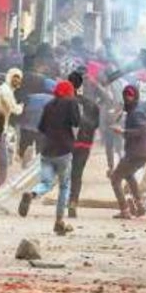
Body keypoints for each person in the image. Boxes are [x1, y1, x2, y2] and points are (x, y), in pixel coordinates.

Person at [18, 80, 80, 235]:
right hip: (63, 150)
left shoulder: (49, 105)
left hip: (46, 150)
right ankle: (59, 221)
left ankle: (32, 194)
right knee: (64, 186)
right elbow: (76, 122)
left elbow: (41, 128)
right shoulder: (71, 102)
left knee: (46, 182)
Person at [110, 85, 146, 219]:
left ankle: (124, 209)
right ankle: (140, 205)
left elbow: (141, 131)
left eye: (130, 95)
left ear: (136, 96)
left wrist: (122, 132)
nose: (127, 98)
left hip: (136, 153)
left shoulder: (137, 112)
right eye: (126, 95)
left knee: (115, 178)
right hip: (138, 152)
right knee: (129, 175)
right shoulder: (132, 111)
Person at [67, 71, 100, 218]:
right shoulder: (92, 105)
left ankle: (64, 201)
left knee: (63, 173)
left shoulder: (65, 102)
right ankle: (73, 202)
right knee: (77, 174)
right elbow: (96, 125)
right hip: (85, 144)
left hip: (68, 143)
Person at [0, 68, 24, 188]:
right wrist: (21, 107)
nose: (17, 81)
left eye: (18, 78)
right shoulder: (6, 92)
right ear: (9, 77)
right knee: (3, 161)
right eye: (14, 78)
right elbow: (14, 109)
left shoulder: (1, 90)